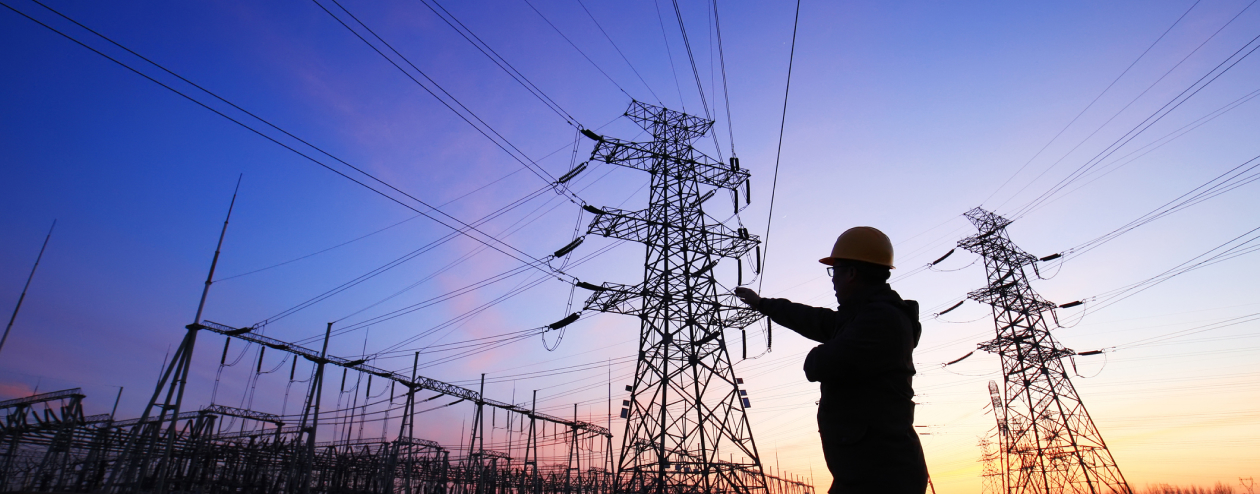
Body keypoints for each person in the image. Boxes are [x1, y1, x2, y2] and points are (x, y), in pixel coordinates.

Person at [734, 227, 928, 494]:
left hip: (880, 475)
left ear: (851, 273)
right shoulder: (863, 315)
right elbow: (815, 320)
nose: (832, 280)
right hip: (865, 468)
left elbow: (821, 364)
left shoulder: (881, 320)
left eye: (834, 271)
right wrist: (762, 304)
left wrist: (815, 354)